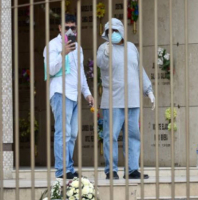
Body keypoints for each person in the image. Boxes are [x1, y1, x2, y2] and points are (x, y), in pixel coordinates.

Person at [96, 18, 155, 180]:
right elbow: (99, 64)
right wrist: (106, 55)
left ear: (121, 31)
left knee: (133, 135)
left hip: (133, 100)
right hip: (113, 100)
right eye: (109, 31)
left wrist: (148, 90)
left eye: (115, 31)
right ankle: (111, 170)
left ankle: (132, 169)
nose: (112, 34)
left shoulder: (131, 48)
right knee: (111, 136)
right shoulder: (103, 48)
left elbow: (138, 69)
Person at [43, 14, 95, 179]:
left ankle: (69, 168)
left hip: (74, 95)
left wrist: (87, 93)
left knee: (72, 134)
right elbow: (50, 69)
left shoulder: (78, 48)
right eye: (66, 27)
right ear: (60, 28)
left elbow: (80, 73)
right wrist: (63, 53)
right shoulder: (52, 45)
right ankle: (61, 170)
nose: (70, 30)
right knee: (63, 132)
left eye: (73, 27)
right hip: (60, 93)